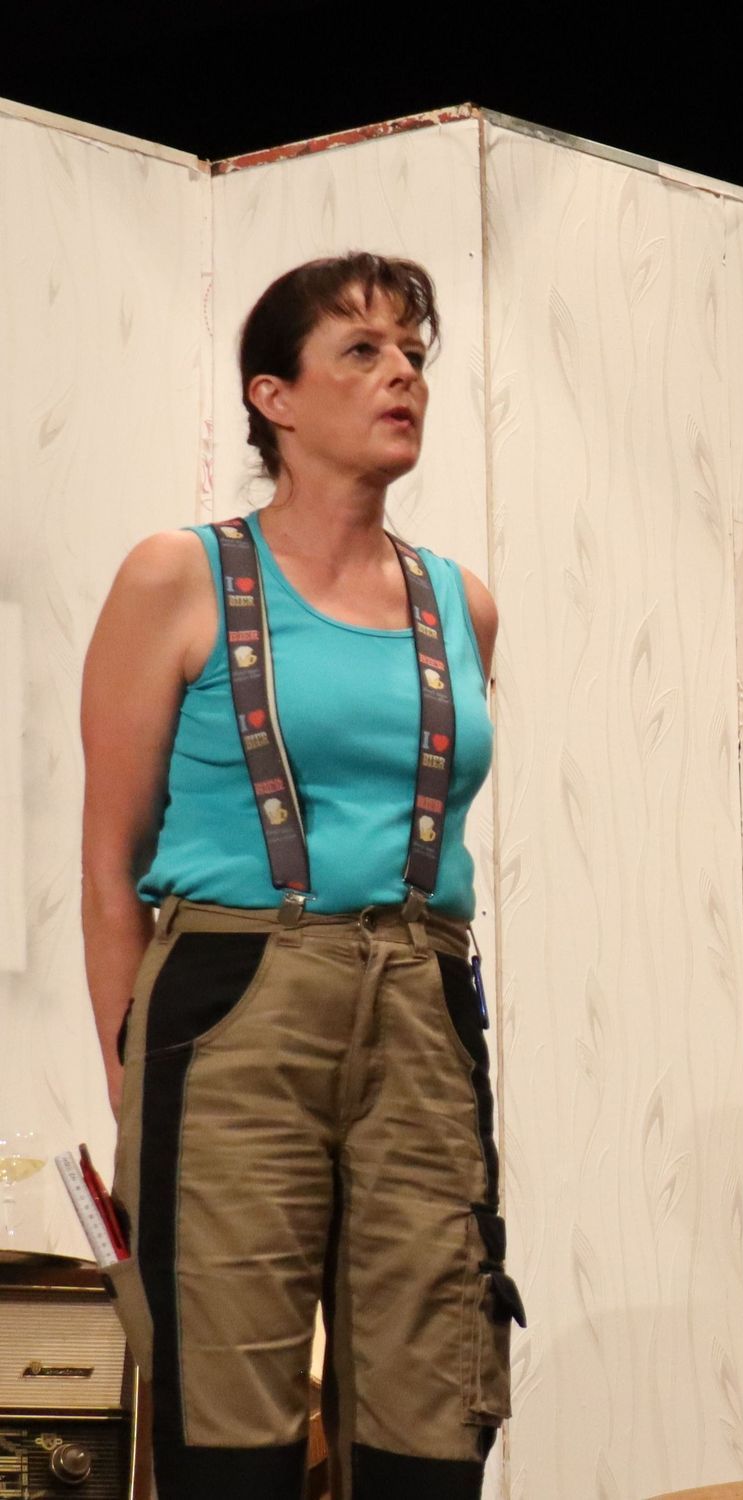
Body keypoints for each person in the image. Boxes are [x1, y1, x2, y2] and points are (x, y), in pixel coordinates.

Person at [79, 252, 522, 1497]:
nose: (401, 376)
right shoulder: (177, 577)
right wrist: (130, 1078)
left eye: (414, 355)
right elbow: (110, 867)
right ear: (273, 397)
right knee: (228, 1413)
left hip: (424, 1003)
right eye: (363, 351)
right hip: (231, 1000)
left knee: (434, 1404)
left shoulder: (461, 605)